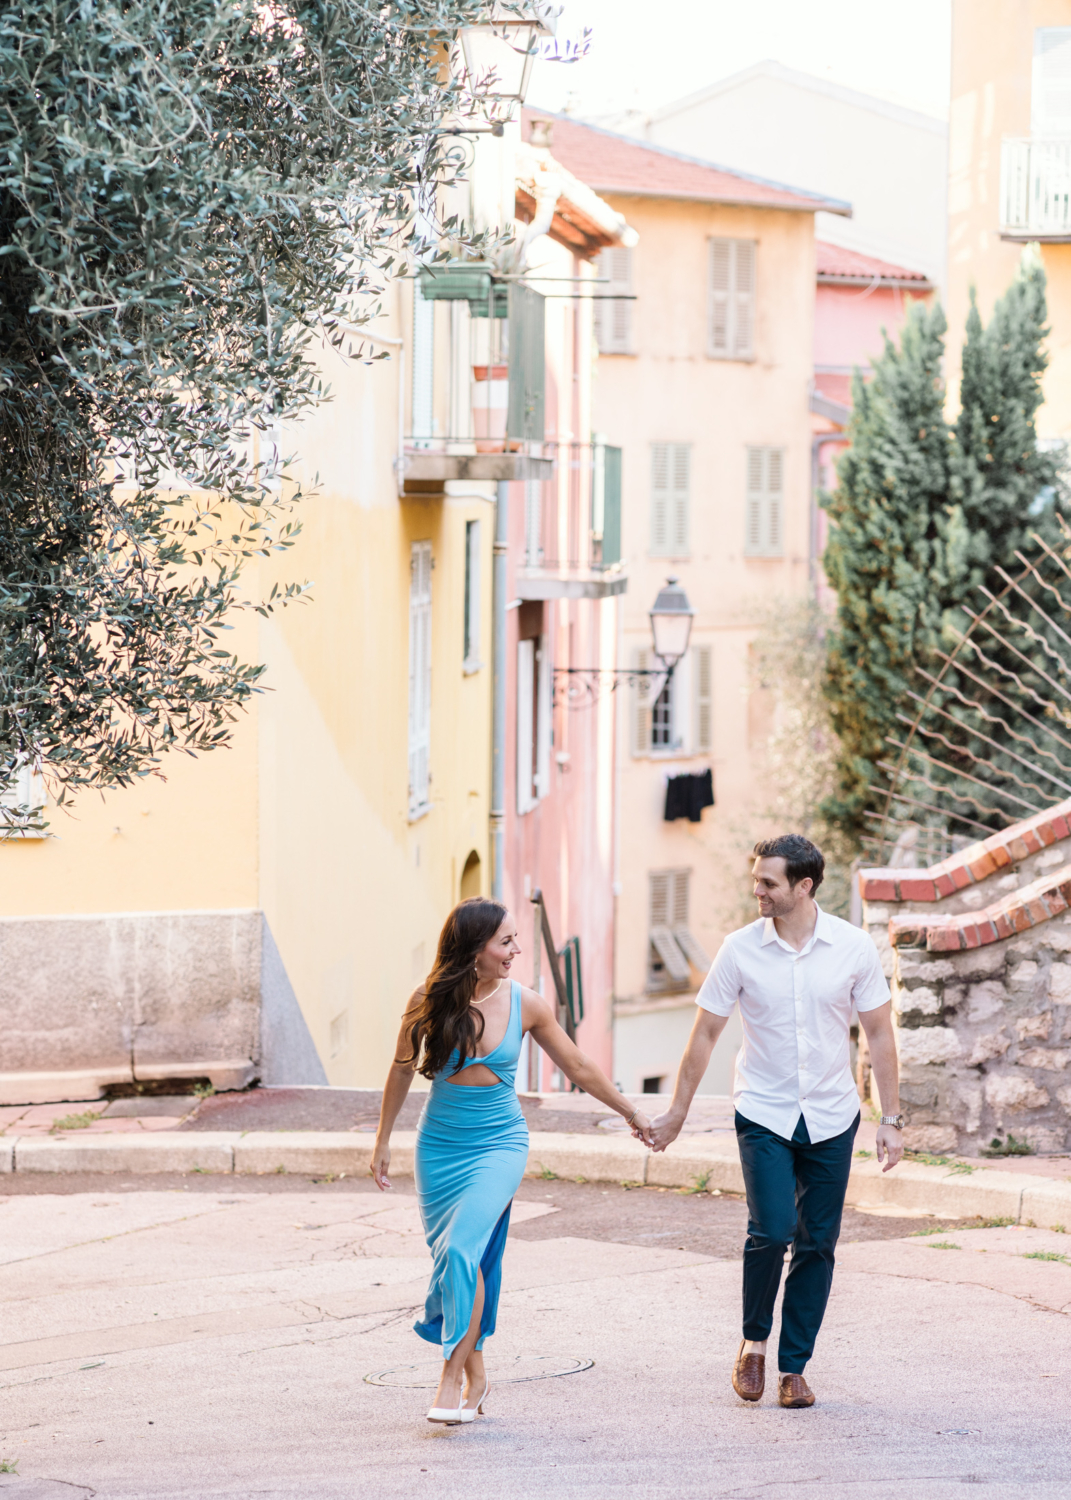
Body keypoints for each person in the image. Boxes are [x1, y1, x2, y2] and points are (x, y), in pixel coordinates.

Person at [372, 896, 653, 1425]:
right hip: (439, 1147)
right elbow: (402, 1068)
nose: (516, 950)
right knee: (461, 1261)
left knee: (461, 1250)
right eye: (505, 941)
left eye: (515, 939)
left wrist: (631, 1112)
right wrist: (383, 1139)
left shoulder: (527, 1003)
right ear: (472, 949)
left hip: (500, 1144)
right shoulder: (427, 999)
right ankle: (478, 1374)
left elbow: (579, 1064)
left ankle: (450, 1379)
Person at [650, 834, 902, 1409]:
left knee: (818, 1242)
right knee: (771, 1231)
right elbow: (705, 1035)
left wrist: (892, 1117)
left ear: (804, 886)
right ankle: (753, 1344)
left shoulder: (853, 948)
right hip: (762, 1110)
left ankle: (794, 1368)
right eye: (756, 879)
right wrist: (677, 1115)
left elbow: (881, 1032)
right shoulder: (740, 950)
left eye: (768, 882)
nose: (756, 890)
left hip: (833, 1115)